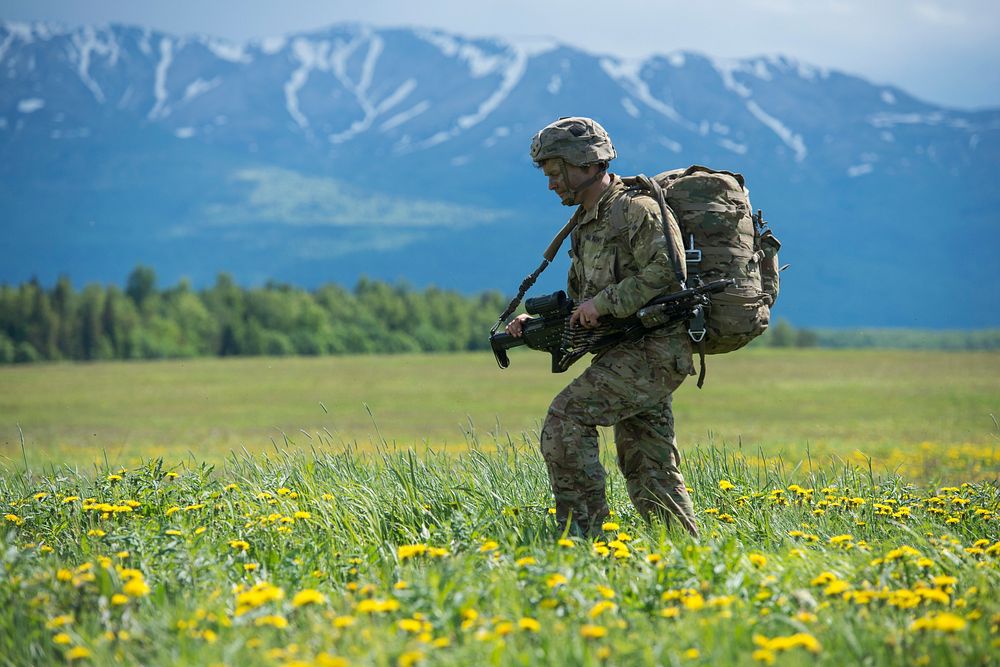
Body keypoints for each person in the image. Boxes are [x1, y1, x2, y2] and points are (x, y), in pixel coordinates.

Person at [506, 117, 699, 538]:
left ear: (586, 163)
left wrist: (605, 303)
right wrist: (536, 326)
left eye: (556, 173)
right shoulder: (586, 222)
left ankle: (584, 537)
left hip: (655, 351)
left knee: (566, 418)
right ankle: (684, 550)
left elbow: (669, 271)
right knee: (648, 462)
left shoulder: (636, 209)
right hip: (626, 352)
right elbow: (583, 304)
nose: (552, 184)